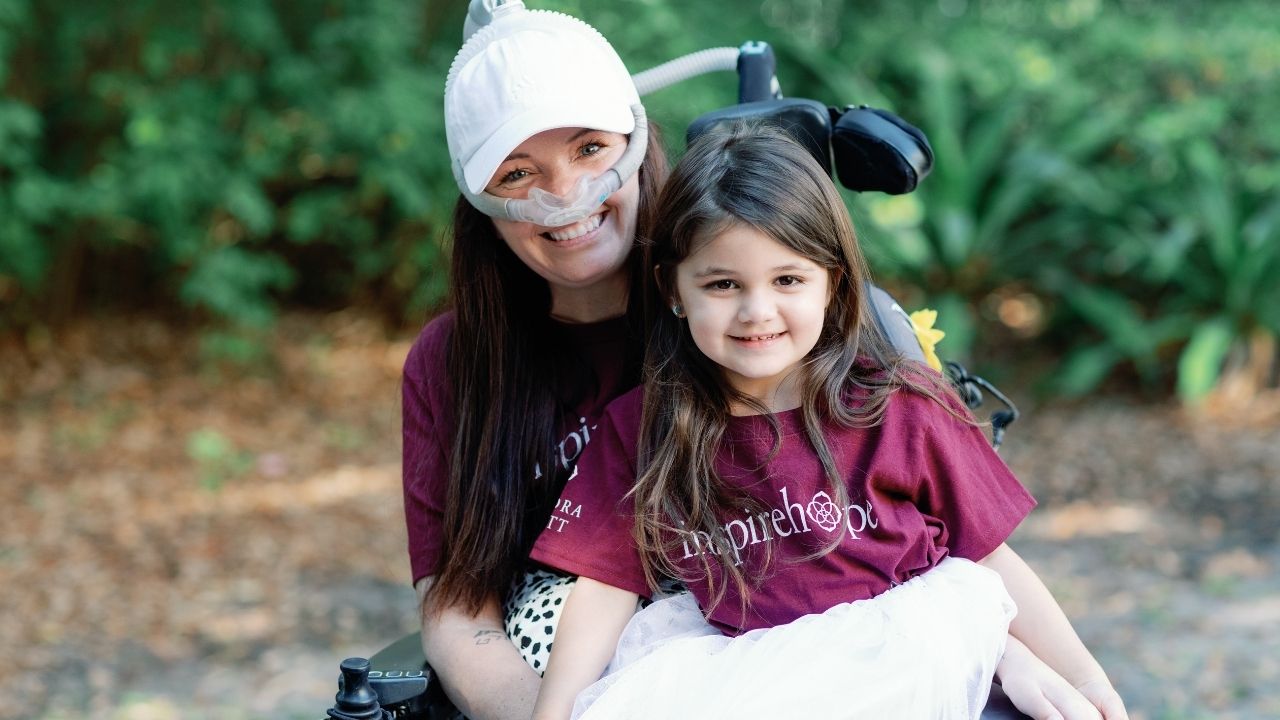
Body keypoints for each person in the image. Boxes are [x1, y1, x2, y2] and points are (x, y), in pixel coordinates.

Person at [528, 125, 1129, 719]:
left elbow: (992, 558)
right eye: (722, 284)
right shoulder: (644, 428)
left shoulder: (900, 405)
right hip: (746, 673)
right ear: (674, 290)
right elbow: (604, 588)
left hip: (905, 654)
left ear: (832, 284)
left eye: (788, 279)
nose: (756, 310)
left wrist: (1085, 676)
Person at [400, 2, 668, 718]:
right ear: (480, 201)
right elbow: (459, 611)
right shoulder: (452, 363)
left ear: (635, 140)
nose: (563, 196)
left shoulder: (738, 313)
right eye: (518, 172)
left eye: (588, 150)